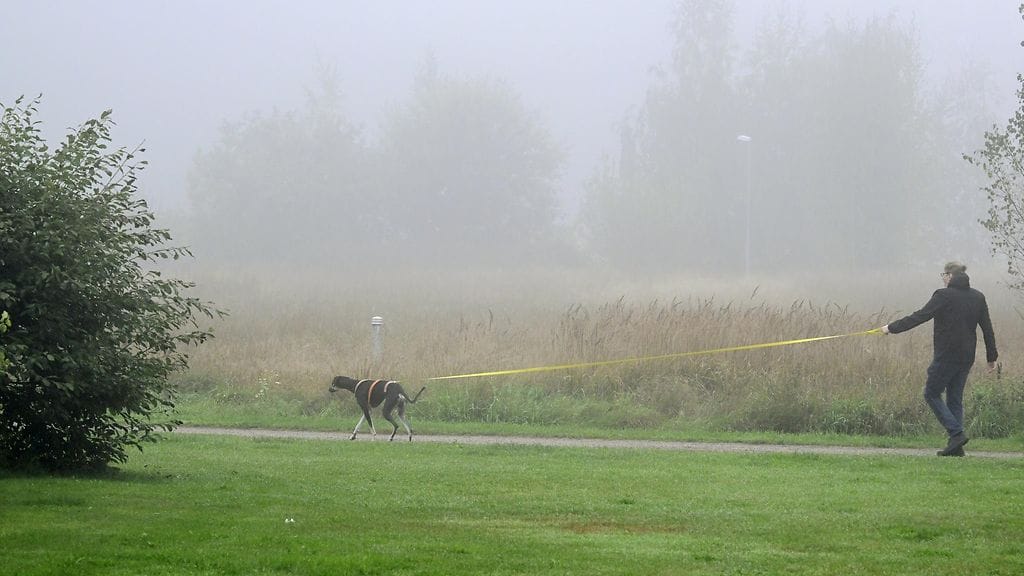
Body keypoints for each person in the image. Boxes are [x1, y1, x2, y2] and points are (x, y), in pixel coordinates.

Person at [880, 262, 998, 457]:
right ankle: (956, 447)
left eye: (944, 274)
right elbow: (987, 328)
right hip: (966, 356)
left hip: (947, 355)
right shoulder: (978, 297)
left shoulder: (943, 295)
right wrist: (991, 356)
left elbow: (921, 316)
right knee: (954, 398)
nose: (942, 278)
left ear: (950, 275)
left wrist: (891, 328)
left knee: (931, 393)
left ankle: (956, 433)